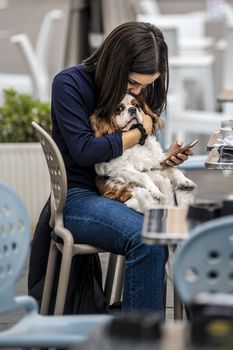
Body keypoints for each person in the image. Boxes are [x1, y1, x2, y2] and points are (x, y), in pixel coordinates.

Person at [51, 21, 192, 313]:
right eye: (133, 85)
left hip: (138, 186)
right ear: (115, 67)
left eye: (147, 85)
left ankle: (193, 327)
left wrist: (165, 160)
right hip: (82, 196)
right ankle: (142, 338)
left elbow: (141, 156)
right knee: (149, 239)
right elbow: (85, 151)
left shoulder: (142, 90)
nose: (140, 91)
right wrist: (139, 132)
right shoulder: (69, 84)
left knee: (188, 230)